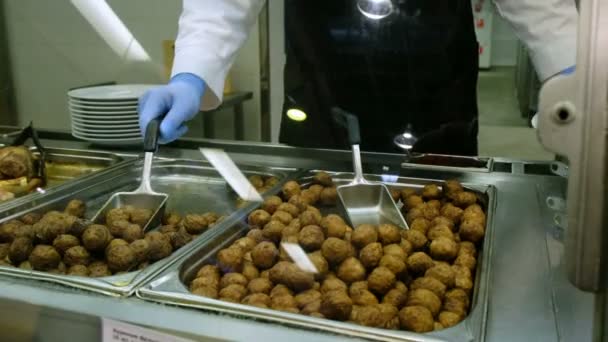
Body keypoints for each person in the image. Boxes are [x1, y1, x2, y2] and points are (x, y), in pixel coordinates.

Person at [139, 0, 577, 155]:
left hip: (434, 84)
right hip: (322, 82)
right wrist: (192, 74)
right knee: (313, 213)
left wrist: (575, 70)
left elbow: (538, 4)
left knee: (443, 218)